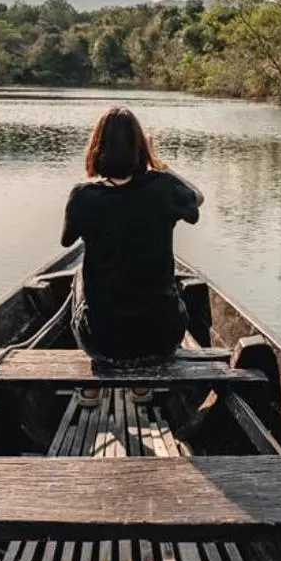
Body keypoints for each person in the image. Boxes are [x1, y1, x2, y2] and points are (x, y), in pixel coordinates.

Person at [60, 106, 204, 382]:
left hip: (101, 344)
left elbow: (67, 241)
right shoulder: (164, 188)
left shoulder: (82, 196)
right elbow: (197, 197)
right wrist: (159, 164)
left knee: (79, 273)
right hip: (162, 340)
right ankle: (142, 387)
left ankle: (88, 388)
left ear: (97, 148)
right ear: (141, 150)